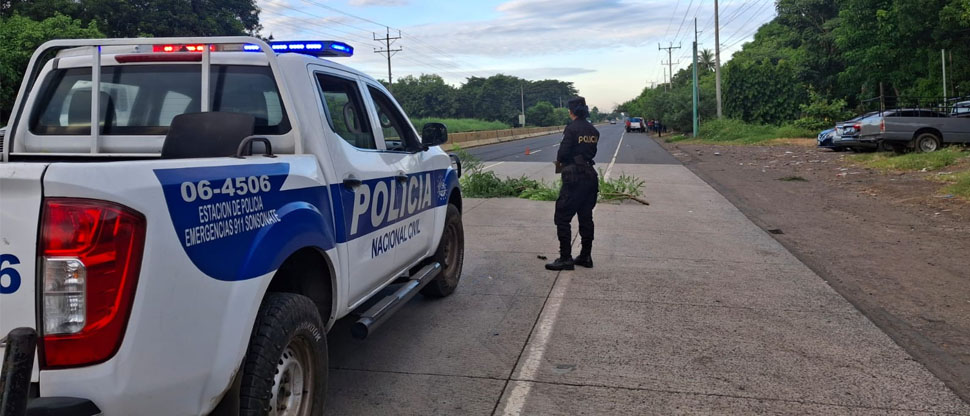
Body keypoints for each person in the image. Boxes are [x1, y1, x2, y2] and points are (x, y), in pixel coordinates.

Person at [546, 97, 600, 271]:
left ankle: (565, 258)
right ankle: (586, 256)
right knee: (586, 217)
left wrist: (563, 162)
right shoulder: (593, 130)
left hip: (574, 177)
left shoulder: (571, 129)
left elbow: (562, 153)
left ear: (571, 111)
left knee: (562, 217)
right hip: (590, 176)